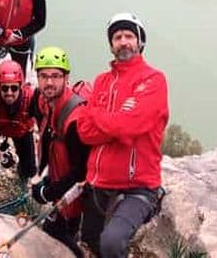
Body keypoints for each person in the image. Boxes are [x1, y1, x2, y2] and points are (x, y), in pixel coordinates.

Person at [77, 13, 169, 258]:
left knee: (111, 242)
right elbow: (85, 133)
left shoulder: (153, 79)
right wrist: (117, 127)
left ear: (140, 42)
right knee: (89, 240)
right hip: (99, 183)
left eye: (129, 36)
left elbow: (131, 126)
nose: (123, 41)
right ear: (111, 45)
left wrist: (97, 114)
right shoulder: (102, 81)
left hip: (137, 186)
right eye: (117, 37)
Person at [30, 46, 89, 258]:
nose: (49, 82)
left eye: (56, 76)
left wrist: (49, 192)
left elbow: (81, 171)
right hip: (61, 180)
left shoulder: (75, 118)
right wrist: (45, 176)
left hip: (78, 193)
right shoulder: (45, 102)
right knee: (52, 232)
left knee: (59, 237)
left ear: (66, 78)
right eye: (44, 76)